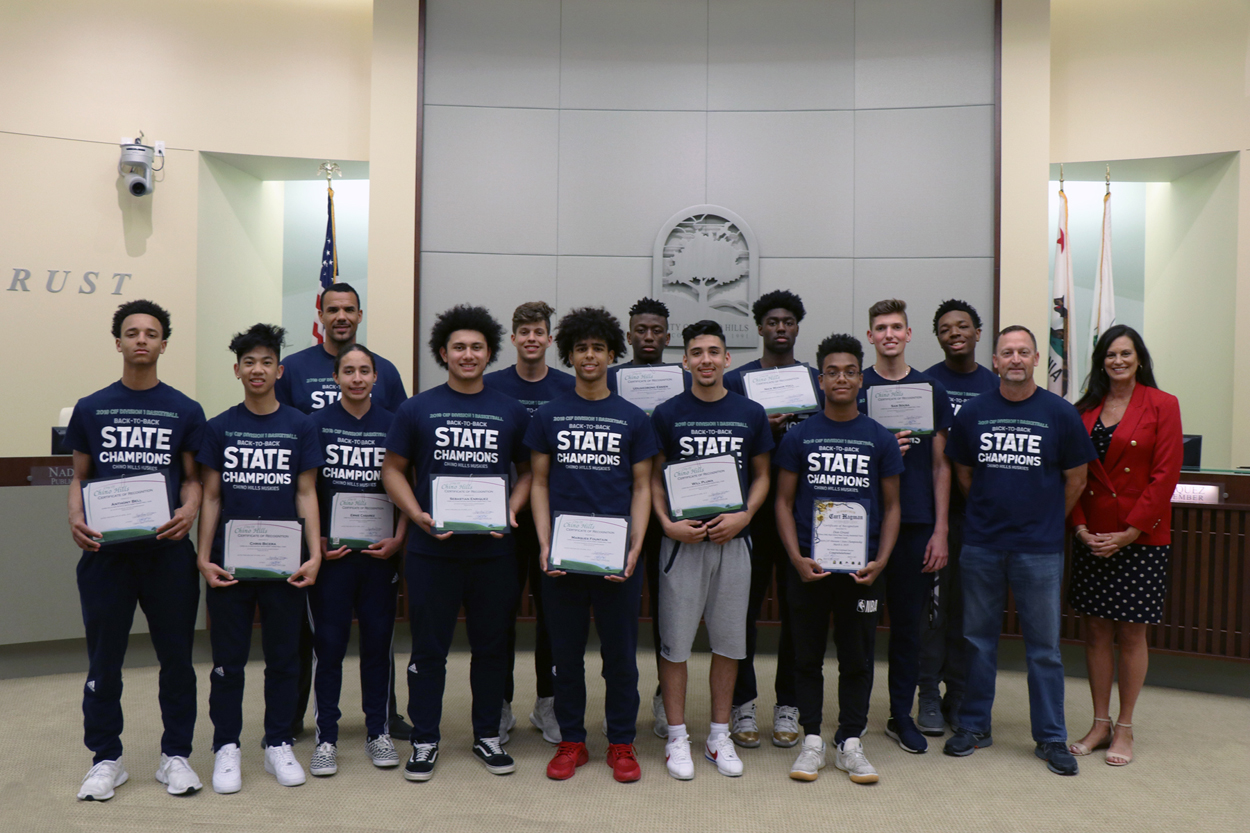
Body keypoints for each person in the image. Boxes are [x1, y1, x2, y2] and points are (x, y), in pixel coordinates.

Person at [382, 305, 531, 782]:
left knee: (492, 647)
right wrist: (417, 516)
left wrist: (511, 510)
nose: (468, 355)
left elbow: (528, 473)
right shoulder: (416, 407)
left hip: (493, 551)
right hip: (432, 550)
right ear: (443, 353)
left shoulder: (510, 409)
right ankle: (425, 739)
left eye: (477, 347)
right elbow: (392, 470)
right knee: (429, 650)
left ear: (489, 353)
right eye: (459, 347)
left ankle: (487, 734)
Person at [66, 300, 206, 800]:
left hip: (166, 554)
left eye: (151, 333)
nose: (141, 339)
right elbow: (80, 478)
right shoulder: (91, 407)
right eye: (132, 332)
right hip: (106, 556)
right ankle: (106, 759)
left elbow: (193, 481)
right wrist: (75, 516)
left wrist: (189, 512)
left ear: (163, 344)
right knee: (105, 661)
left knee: (177, 659)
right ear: (119, 342)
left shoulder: (185, 409)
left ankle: (177, 757)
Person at [942, 326, 1095, 776]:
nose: (1014, 359)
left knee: (1044, 649)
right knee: (977, 642)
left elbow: (1077, 479)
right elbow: (964, 473)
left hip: (1039, 549)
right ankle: (973, 726)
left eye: (1022, 352)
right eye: (1006, 352)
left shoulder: (1060, 413)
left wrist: (1045, 519)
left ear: (1033, 360)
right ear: (994, 360)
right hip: (983, 544)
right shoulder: (973, 412)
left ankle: (1050, 737)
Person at [527, 307, 657, 783]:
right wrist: (544, 544)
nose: (589, 356)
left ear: (611, 353)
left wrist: (635, 547)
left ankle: (621, 742)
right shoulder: (549, 414)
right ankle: (572, 741)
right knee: (566, 657)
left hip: (617, 558)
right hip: (562, 556)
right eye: (581, 348)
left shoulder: (632, 419)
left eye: (598, 348)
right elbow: (538, 483)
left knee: (620, 656)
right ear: (570, 353)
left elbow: (643, 488)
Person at [276, 281, 409, 741]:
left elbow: (401, 452)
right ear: (321, 312)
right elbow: (291, 448)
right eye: (332, 309)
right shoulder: (292, 369)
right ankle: (298, 720)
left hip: (376, 536)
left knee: (378, 636)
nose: (341, 316)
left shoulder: (387, 371)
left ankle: (385, 721)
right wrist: (312, 541)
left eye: (349, 309)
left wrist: (400, 530)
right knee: (314, 638)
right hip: (323, 537)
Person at [196, 324, 325, 792]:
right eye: (248, 362)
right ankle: (226, 746)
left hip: (284, 566)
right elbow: (211, 497)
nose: (257, 369)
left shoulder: (300, 425)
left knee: (284, 659)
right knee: (227, 661)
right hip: (230, 567)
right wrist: (203, 556)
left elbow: (307, 493)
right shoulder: (219, 426)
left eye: (266, 362)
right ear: (237, 370)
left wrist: (315, 554)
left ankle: (277, 744)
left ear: (279, 370)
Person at [776, 334, 902, 784]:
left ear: (861, 377)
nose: (842, 378)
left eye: (850, 370)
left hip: (863, 571)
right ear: (821, 379)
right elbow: (783, 503)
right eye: (833, 371)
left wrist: (882, 560)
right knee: (806, 656)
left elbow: (892, 507)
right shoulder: (801, 435)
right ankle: (812, 740)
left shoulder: (879, 438)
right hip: (811, 568)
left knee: (857, 658)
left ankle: (850, 741)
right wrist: (795, 557)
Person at [650, 320, 773, 780]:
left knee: (729, 642)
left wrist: (745, 515)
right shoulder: (666, 412)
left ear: (726, 359)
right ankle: (678, 736)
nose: (705, 359)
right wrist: (666, 523)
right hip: (682, 543)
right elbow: (652, 476)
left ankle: (718, 735)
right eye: (696, 352)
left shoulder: (750, 411)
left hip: (733, 539)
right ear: (685, 360)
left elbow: (762, 474)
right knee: (676, 644)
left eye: (713, 352)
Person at [1067, 325, 1182, 767]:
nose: (1117, 361)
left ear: (1139, 358)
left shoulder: (1162, 405)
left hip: (1141, 537)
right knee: (1095, 631)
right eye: (1109, 354)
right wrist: (1079, 528)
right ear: (1100, 361)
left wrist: (1132, 531)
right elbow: (1074, 477)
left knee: (1132, 633)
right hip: (1093, 536)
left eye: (1125, 353)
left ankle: (1126, 727)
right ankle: (1100, 723)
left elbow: (1165, 475)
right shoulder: (1083, 410)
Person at [306, 344, 410, 777]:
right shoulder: (315, 424)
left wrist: (400, 539)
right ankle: (326, 737)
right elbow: (306, 491)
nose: (356, 378)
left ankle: (378, 731)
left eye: (364, 371)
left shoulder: (394, 423)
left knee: (377, 647)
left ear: (375, 377)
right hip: (333, 557)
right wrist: (317, 544)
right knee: (328, 648)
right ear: (335, 378)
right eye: (348, 371)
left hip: (379, 556)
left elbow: (407, 484)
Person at [723, 289, 820, 749]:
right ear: (759, 328)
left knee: (798, 615)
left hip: (805, 516)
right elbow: (725, 445)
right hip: (752, 513)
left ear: (797, 328)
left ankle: (789, 704)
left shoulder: (818, 381)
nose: (780, 328)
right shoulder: (737, 382)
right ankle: (742, 703)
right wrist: (766, 428)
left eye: (788, 321)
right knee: (741, 611)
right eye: (772, 321)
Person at [858, 299, 953, 754]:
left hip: (916, 523)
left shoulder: (930, 390)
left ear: (909, 334)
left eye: (897, 327)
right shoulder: (856, 386)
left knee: (908, 629)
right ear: (871, 336)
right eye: (881, 327)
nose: (889, 334)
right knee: (858, 626)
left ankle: (901, 715)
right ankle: (853, 717)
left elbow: (941, 466)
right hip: (862, 526)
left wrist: (941, 530)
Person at [484, 301, 575, 745]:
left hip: (556, 517)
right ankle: (499, 706)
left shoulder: (570, 387)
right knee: (499, 613)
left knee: (552, 616)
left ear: (550, 338)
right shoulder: (490, 386)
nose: (532, 338)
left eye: (540, 331)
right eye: (524, 331)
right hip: (498, 519)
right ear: (514, 337)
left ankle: (548, 704)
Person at [605, 296, 688, 737]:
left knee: (667, 608)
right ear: (630, 334)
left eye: (657, 331)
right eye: (642, 330)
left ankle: (663, 697)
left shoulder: (686, 381)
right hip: (623, 506)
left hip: (677, 510)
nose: (649, 337)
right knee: (617, 611)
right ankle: (614, 701)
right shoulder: (611, 379)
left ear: (668, 337)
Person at [918, 299, 999, 735]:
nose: (954, 333)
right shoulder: (926, 384)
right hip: (937, 518)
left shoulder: (996, 385)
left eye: (962, 326)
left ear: (977, 333)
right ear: (938, 337)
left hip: (983, 519)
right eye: (945, 327)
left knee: (973, 613)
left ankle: (960, 695)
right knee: (934, 613)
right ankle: (928, 693)